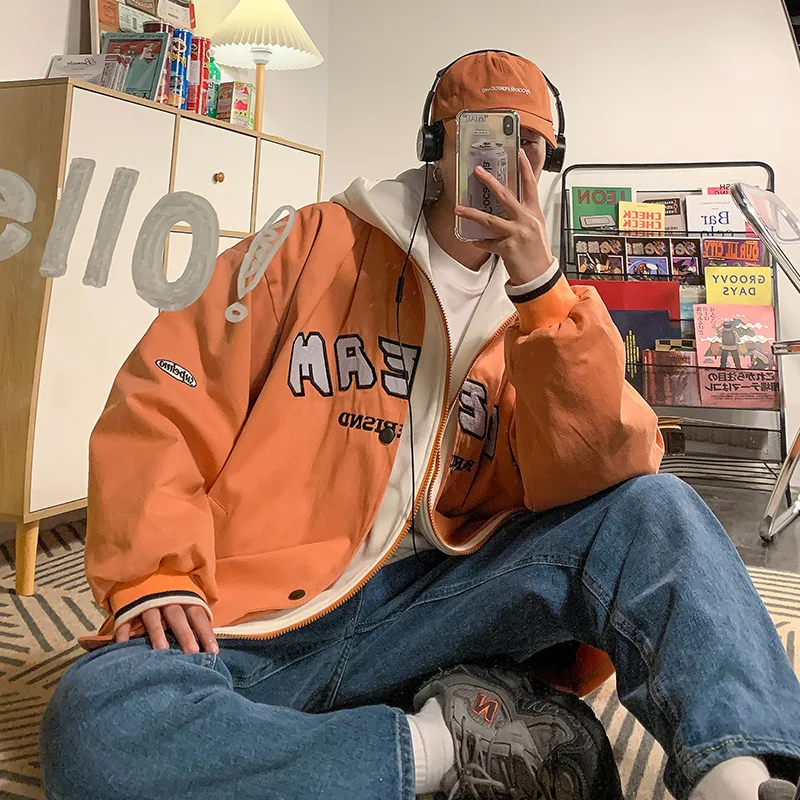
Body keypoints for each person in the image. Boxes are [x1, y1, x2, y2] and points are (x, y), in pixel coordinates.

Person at [40, 50, 800, 800]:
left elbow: (607, 469)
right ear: (435, 147)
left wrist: (541, 291)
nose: (503, 166)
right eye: (483, 140)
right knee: (99, 728)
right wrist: (157, 570)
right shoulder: (308, 247)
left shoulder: (545, 312)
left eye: (530, 147)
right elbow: (167, 392)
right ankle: (448, 744)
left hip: (439, 613)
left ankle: (741, 778)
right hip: (260, 617)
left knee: (658, 508)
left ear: (550, 164)